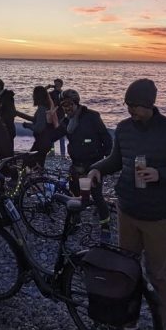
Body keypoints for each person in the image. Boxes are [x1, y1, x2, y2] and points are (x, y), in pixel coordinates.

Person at [87, 78, 166, 330]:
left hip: (158, 215)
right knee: (128, 270)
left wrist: (160, 174)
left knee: (158, 275)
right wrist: (97, 168)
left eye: (135, 106)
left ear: (149, 104)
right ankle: (130, 318)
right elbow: (116, 160)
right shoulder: (124, 129)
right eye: (127, 106)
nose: (130, 111)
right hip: (127, 208)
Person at [55, 89, 112, 235]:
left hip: (92, 166)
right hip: (76, 165)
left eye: (69, 104)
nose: (66, 108)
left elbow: (107, 139)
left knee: (97, 196)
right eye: (63, 105)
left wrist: (103, 164)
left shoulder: (92, 117)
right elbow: (52, 136)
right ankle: (76, 222)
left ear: (76, 103)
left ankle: (105, 226)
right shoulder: (66, 122)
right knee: (75, 195)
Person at [21, 86, 58, 168]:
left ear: (37, 96)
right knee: (39, 164)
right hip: (46, 141)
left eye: (34, 95)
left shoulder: (41, 109)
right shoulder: (46, 107)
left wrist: (27, 125)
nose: (32, 96)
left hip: (41, 142)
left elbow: (39, 128)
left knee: (28, 163)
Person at [47, 78, 66, 158]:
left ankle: (62, 154)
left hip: (61, 117)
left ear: (61, 85)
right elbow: (43, 94)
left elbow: (61, 104)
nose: (56, 85)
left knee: (61, 136)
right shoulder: (51, 93)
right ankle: (52, 152)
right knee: (51, 135)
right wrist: (47, 87)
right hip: (53, 116)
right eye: (55, 84)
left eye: (58, 84)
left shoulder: (63, 94)